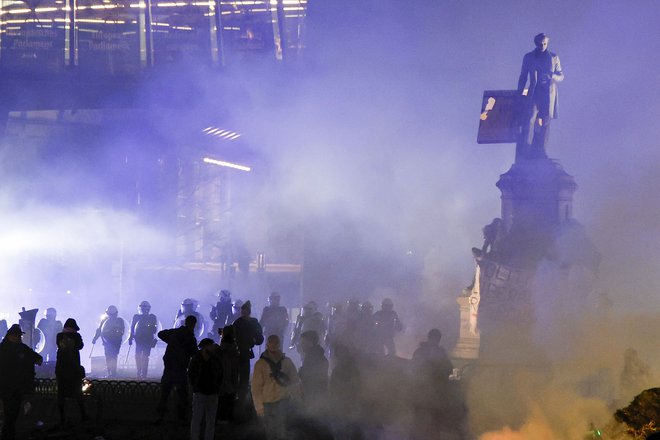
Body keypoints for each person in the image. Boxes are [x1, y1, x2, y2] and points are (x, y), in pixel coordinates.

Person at [517, 32, 564, 157]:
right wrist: (519, 92)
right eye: (540, 43)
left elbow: (561, 76)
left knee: (546, 121)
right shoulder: (528, 57)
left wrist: (553, 76)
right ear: (536, 43)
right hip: (534, 91)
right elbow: (523, 76)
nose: (542, 45)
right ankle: (526, 148)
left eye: (544, 43)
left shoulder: (554, 57)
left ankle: (541, 150)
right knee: (530, 118)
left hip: (549, 93)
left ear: (547, 43)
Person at [411, 329, 456, 440]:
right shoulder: (431, 353)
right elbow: (449, 369)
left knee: (430, 421)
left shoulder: (424, 352)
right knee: (426, 420)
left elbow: (449, 368)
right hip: (427, 391)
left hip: (431, 392)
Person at [0, 324, 43, 440]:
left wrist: (38, 359)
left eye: (19, 336)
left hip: (18, 387)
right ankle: (7, 435)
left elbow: (36, 357)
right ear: (10, 336)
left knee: (15, 413)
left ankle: (10, 434)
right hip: (7, 386)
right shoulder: (3, 349)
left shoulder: (21, 348)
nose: (18, 338)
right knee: (10, 413)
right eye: (16, 336)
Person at [252, 334, 299, 440]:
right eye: (271, 342)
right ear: (267, 344)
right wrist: (259, 406)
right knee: (270, 432)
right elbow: (256, 387)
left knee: (281, 431)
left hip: (282, 400)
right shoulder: (260, 364)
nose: (273, 345)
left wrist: (295, 397)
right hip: (267, 403)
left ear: (279, 344)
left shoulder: (286, 361)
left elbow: (295, 381)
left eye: (275, 342)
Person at [156, 315, 198, 423]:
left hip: (169, 368)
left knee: (164, 394)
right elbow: (195, 354)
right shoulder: (191, 338)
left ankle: (160, 417)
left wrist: (171, 340)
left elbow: (160, 334)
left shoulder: (174, 333)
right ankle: (181, 417)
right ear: (194, 325)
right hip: (181, 369)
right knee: (182, 395)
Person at [55, 318, 88, 425]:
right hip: (73, 368)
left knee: (61, 393)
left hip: (61, 368)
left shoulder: (59, 336)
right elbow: (81, 346)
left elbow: (58, 345)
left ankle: (62, 417)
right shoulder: (76, 336)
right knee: (78, 392)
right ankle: (83, 416)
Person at [188, 338, 221, 440]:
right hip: (201, 392)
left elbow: (220, 374)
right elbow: (191, 375)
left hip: (210, 392)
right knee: (198, 419)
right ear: (205, 347)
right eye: (211, 346)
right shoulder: (197, 359)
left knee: (207, 420)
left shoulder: (211, 359)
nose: (212, 348)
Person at [233, 300, 264, 402]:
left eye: (245, 311)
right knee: (237, 375)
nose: (243, 313)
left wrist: (255, 340)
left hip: (246, 352)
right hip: (237, 352)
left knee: (244, 377)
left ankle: (242, 397)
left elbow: (259, 337)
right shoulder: (237, 323)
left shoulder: (253, 322)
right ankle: (238, 396)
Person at [297, 330, 328, 412]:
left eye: (303, 342)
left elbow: (308, 377)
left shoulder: (312, 357)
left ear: (310, 343)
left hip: (313, 397)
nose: (301, 345)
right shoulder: (318, 355)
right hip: (319, 396)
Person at [128, 300, 158, 379]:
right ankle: (139, 372)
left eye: (145, 307)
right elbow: (132, 327)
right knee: (138, 356)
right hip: (139, 339)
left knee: (145, 356)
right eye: (142, 307)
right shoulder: (136, 317)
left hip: (147, 339)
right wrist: (130, 337)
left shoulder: (152, 317)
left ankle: (143, 373)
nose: (143, 309)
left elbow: (155, 329)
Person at [92, 305, 125, 378]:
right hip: (107, 342)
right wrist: (95, 338)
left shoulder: (119, 321)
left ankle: (113, 373)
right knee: (109, 357)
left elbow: (121, 331)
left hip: (115, 342)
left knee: (113, 357)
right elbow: (100, 330)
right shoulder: (104, 321)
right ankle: (110, 372)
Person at [216, 325, 240, 423]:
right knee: (230, 396)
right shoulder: (233, 346)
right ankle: (228, 417)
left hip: (223, 374)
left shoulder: (222, 346)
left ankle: (221, 417)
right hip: (231, 373)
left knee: (222, 397)